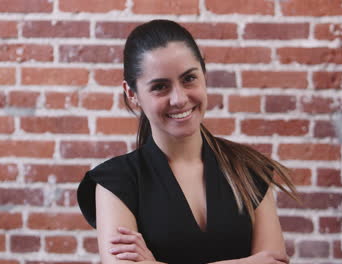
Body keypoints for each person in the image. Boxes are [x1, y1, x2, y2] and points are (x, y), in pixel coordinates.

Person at [77, 19, 298, 264]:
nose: (179, 99)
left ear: (203, 75)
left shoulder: (249, 169)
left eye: (189, 79)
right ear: (132, 94)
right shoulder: (115, 183)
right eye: (160, 86)